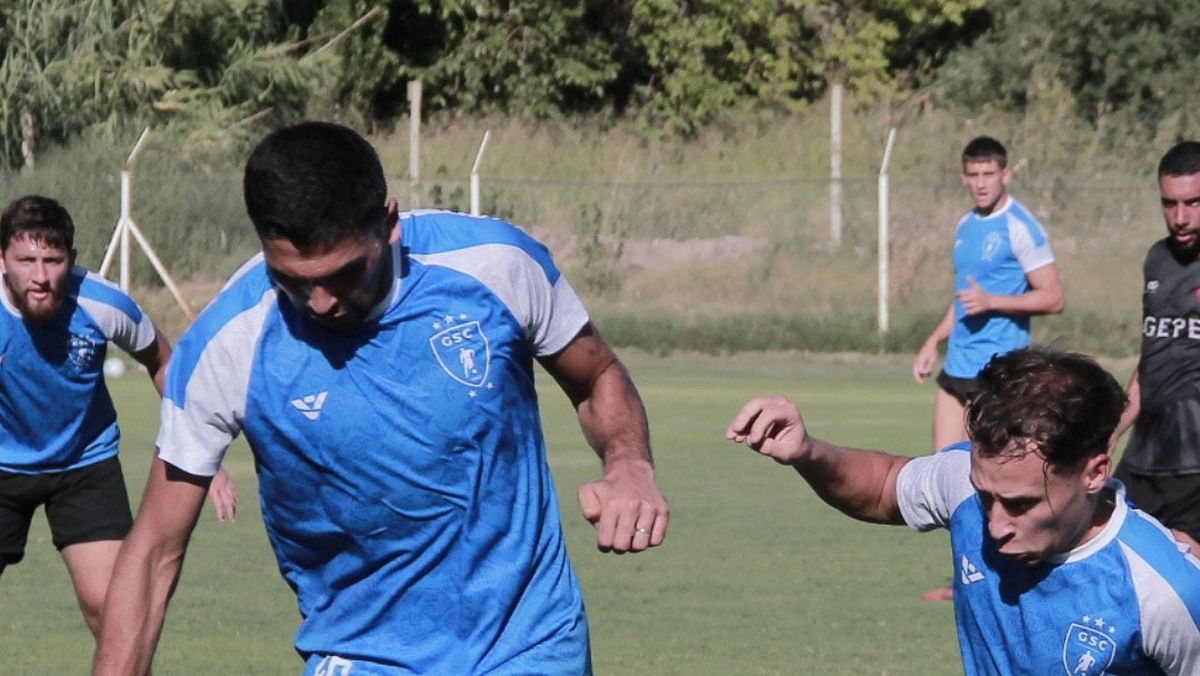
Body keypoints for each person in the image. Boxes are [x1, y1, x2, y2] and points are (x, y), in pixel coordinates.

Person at [94, 121, 669, 674]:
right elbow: (151, 555)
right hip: (364, 653)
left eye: (342, 275)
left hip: (529, 642)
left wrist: (629, 464)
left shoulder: (495, 266)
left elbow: (596, 376)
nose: (319, 303)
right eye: (292, 280)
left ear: (388, 223)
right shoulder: (230, 345)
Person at [729, 346, 1200, 674]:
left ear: (1094, 473)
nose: (994, 525)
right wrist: (808, 452)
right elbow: (883, 488)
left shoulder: (1163, 590)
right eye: (984, 496)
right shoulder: (969, 484)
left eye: (1020, 504)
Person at [0, 196, 237, 643]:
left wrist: (204, 452)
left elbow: (164, 363)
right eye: (25, 260)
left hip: (83, 465)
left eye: (52, 261)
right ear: (2, 259)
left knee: (112, 608)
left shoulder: (103, 304)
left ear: (70, 259)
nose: (39, 276)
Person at [912, 136, 1064, 451]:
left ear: (1005, 175)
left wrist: (993, 302)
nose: (981, 184)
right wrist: (933, 341)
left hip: (996, 371)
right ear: (964, 178)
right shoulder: (966, 224)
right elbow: (963, 298)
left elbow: (1053, 297)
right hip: (957, 366)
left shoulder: (1021, 227)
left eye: (989, 174)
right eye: (974, 175)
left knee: (975, 476)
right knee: (939, 473)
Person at [1110, 141, 1200, 555]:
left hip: (1195, 461)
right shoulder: (1157, 259)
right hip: (1145, 456)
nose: (1180, 218)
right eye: (1170, 204)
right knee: (1117, 561)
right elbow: (1153, 360)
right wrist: (1112, 430)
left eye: (1193, 203)